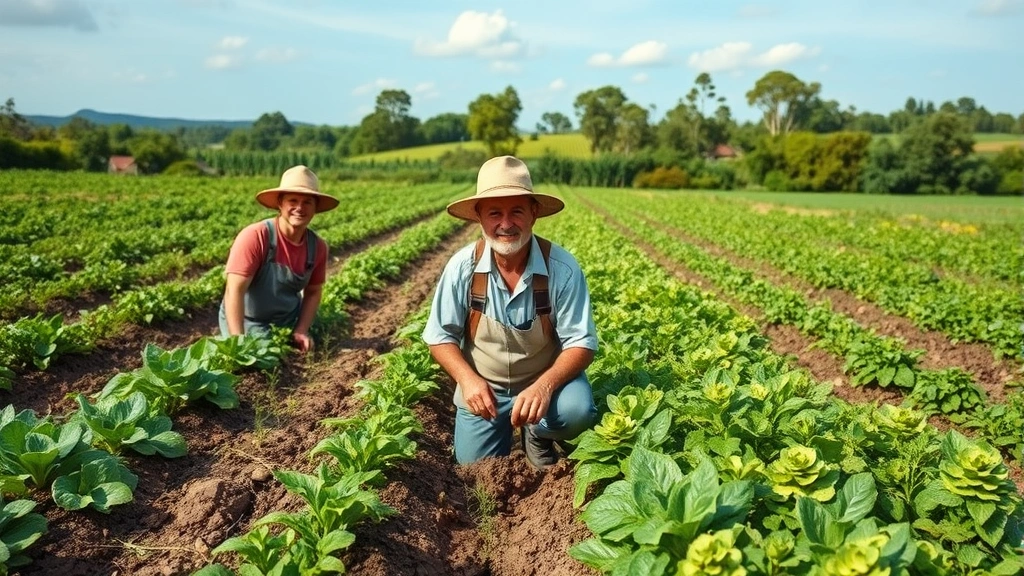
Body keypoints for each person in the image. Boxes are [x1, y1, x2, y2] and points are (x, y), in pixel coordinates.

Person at [423, 155, 598, 468]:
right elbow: (439, 337)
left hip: (545, 384)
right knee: (475, 468)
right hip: (485, 390)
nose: (505, 224)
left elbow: (581, 343)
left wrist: (544, 387)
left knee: (576, 411)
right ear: (479, 217)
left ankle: (538, 432)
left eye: (516, 211)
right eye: (494, 213)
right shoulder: (462, 267)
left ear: (533, 213)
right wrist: (468, 380)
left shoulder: (562, 268)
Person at [218, 165, 338, 352]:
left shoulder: (317, 247)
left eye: (307, 202)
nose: (300, 208)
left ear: (315, 208)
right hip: (249, 319)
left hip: (288, 320)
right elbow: (234, 290)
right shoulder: (256, 236)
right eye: (293, 200)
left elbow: (313, 292)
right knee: (262, 354)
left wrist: (301, 330)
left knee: (323, 331)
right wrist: (237, 342)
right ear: (280, 204)